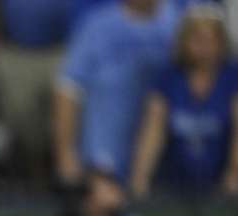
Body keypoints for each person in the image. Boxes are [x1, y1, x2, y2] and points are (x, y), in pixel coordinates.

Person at [53, 0, 180, 185]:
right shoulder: (98, 26)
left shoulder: (178, 22)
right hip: (105, 151)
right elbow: (68, 89)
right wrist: (65, 153)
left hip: (169, 157)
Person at [130, 4, 238, 197]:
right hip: (173, 185)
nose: (204, 47)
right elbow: (152, 131)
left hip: (220, 188)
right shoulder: (168, 78)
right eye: (197, 39)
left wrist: (233, 176)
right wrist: (140, 179)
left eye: (210, 40)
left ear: (221, 42)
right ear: (184, 41)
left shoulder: (232, 78)